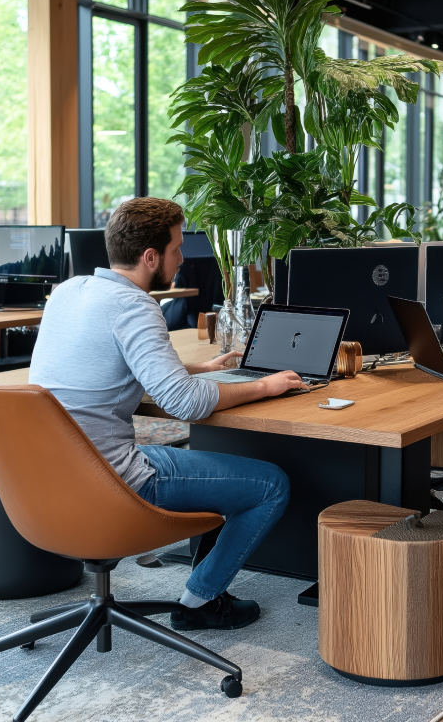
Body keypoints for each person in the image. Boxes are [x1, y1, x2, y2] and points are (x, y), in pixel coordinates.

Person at [30, 197, 303, 631]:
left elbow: (115, 363)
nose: (182, 259)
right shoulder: (134, 306)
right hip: (113, 484)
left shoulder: (68, 292)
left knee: (200, 463)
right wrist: (264, 386)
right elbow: (184, 403)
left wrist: (198, 368)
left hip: (45, 483)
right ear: (150, 257)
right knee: (271, 485)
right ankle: (200, 601)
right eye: (177, 249)